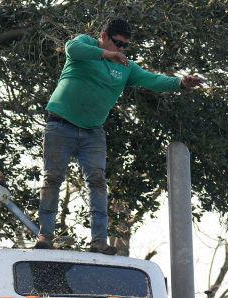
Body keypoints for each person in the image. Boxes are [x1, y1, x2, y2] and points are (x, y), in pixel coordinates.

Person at [35, 17, 203, 255]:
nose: (121, 49)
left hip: (93, 131)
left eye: (125, 46)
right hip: (61, 124)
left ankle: (99, 241)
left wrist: (180, 83)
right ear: (103, 36)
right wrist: (107, 55)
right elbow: (71, 48)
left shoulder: (125, 66)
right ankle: (45, 234)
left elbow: (152, 79)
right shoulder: (85, 45)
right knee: (53, 178)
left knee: (97, 182)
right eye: (117, 43)